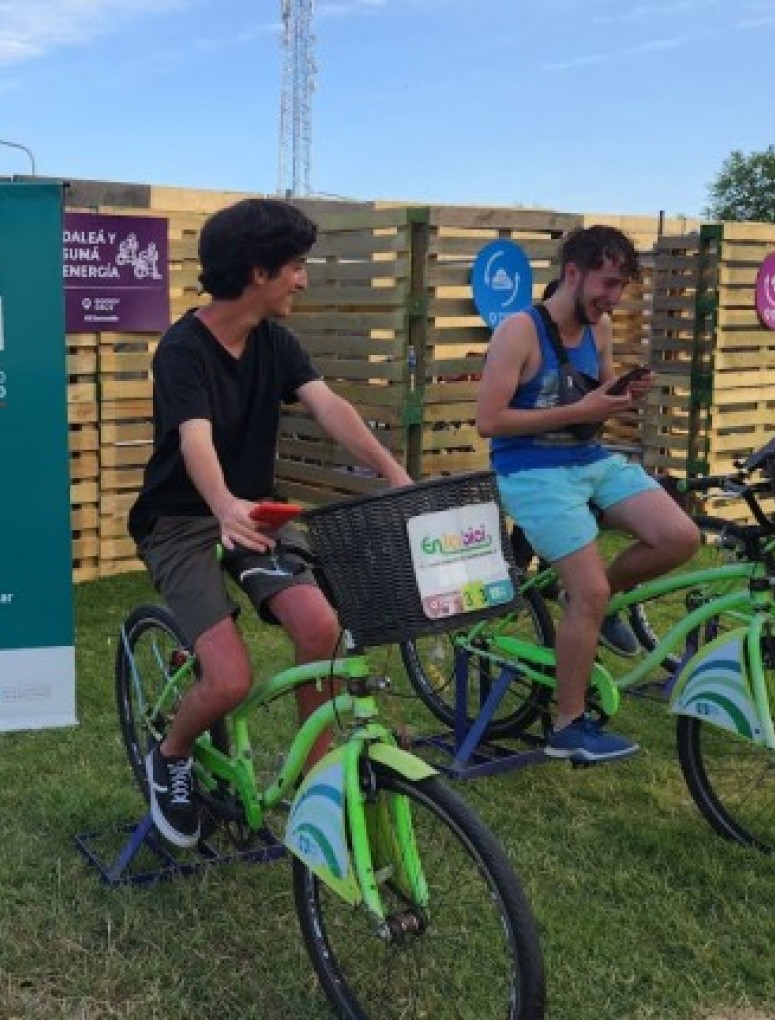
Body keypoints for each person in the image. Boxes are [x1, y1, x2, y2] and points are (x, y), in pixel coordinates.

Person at [127, 198, 413, 848]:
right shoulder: (182, 350)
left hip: (257, 511)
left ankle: (318, 777)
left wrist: (394, 474)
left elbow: (330, 407)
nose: (303, 280)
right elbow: (194, 439)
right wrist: (223, 504)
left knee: (320, 627)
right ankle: (169, 755)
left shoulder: (275, 342)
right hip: (181, 521)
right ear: (259, 272)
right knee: (229, 678)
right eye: (296, 266)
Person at [474, 225, 699, 763]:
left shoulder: (599, 330)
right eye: (608, 283)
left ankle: (593, 601)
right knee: (590, 593)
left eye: (622, 287)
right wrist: (582, 410)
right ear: (572, 272)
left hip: (589, 461)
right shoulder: (518, 332)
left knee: (680, 536)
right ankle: (567, 725)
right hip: (530, 471)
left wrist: (621, 394)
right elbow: (488, 421)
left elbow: (598, 397)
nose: (614, 298)